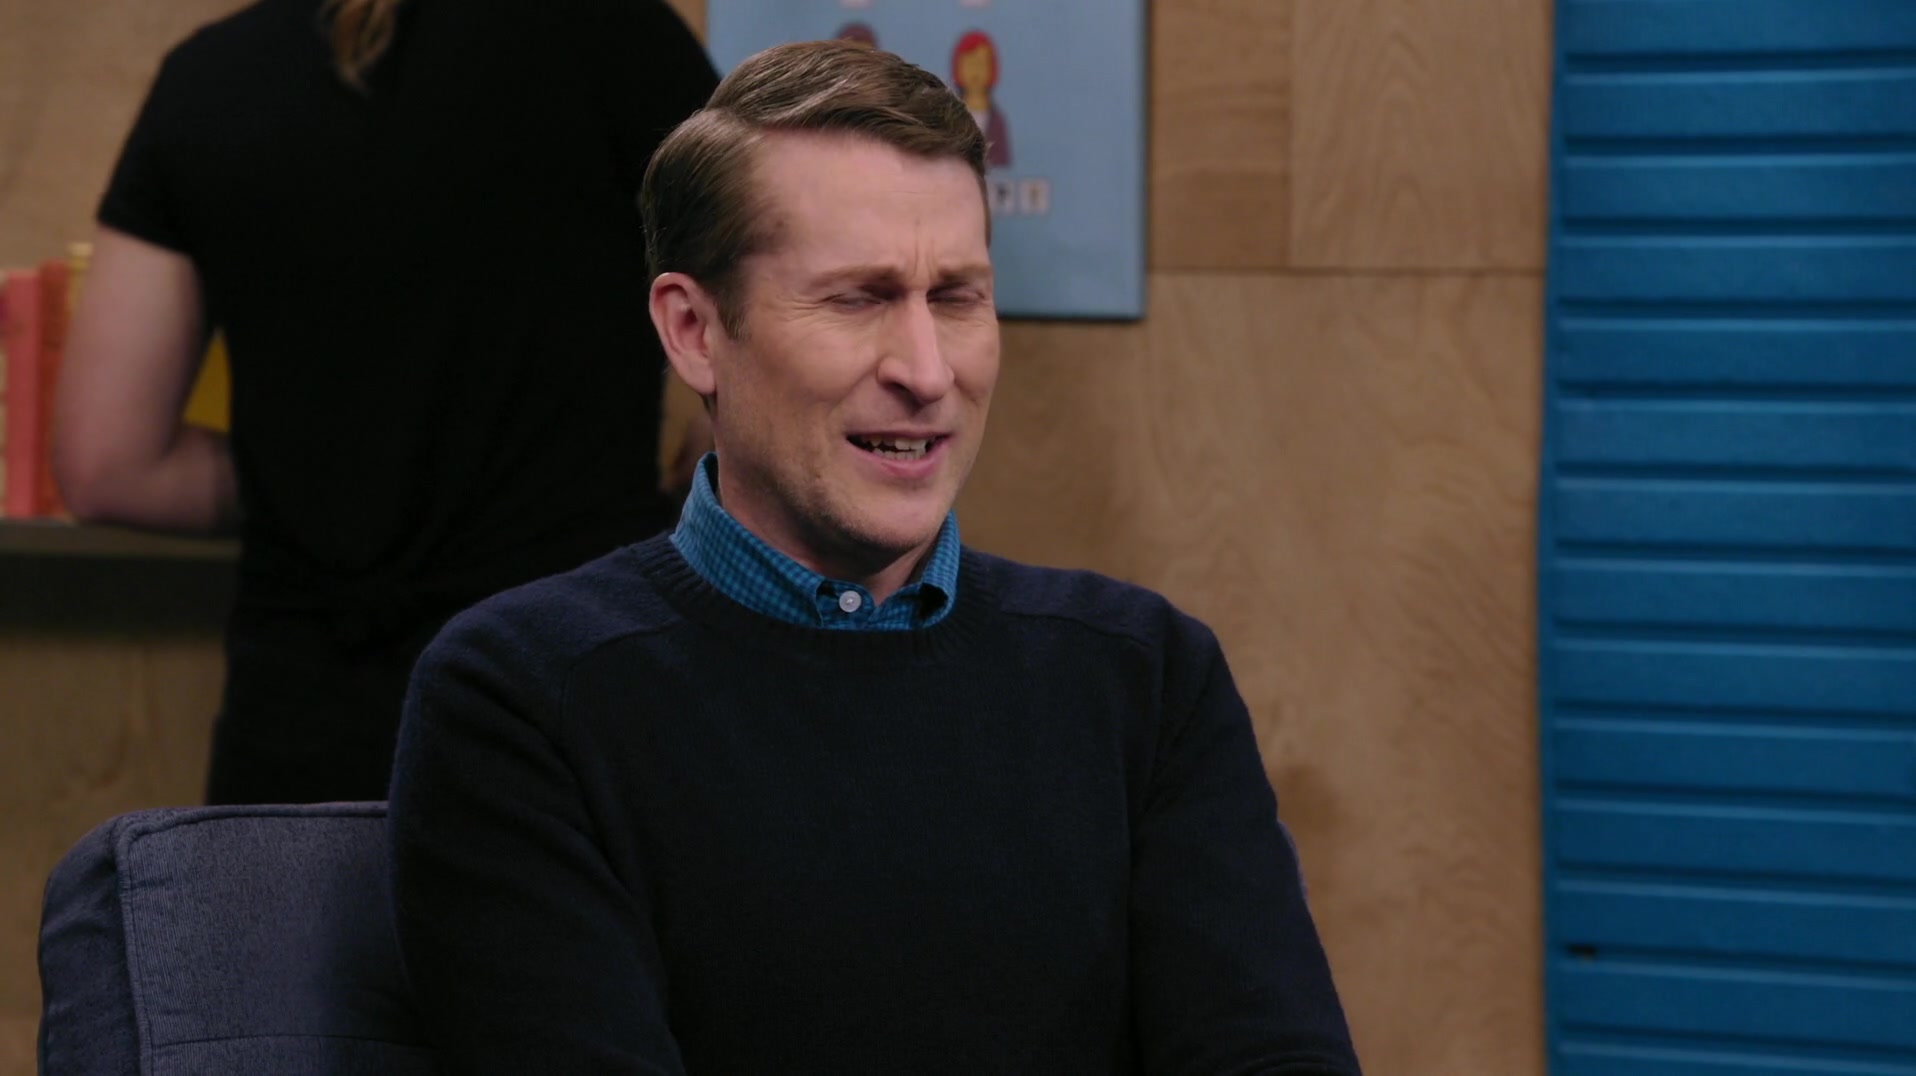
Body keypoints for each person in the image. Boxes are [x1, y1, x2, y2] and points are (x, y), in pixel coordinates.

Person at [388, 40, 1362, 1074]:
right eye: (858, 298)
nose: (927, 372)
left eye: (956, 297)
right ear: (694, 330)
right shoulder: (521, 697)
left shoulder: (1147, 677)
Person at [52, 0, 719, 804]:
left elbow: (110, 464)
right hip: (577, 706)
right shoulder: (621, 40)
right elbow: (771, 327)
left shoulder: (211, 77)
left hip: (301, 746)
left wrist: (303, 477)